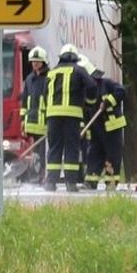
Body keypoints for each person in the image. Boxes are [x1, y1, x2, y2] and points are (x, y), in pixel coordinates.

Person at [43, 43, 97, 192]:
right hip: (72, 115)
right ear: (75, 58)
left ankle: (51, 182)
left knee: (54, 147)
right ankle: (70, 183)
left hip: (53, 116)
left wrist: (49, 111)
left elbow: (45, 94)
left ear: (61, 57)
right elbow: (92, 86)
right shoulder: (79, 70)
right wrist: (89, 103)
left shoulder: (51, 72)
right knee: (71, 148)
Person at [80, 57, 127, 190]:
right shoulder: (84, 91)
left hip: (112, 126)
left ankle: (111, 183)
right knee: (94, 153)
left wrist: (108, 102)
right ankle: (91, 181)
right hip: (96, 128)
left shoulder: (106, 84)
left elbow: (122, 91)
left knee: (112, 155)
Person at [18, 45, 49, 181]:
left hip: (45, 121)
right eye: (33, 61)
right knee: (36, 151)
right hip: (32, 121)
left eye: (38, 61)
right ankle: (37, 174)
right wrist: (22, 120)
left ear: (44, 62)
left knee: (44, 150)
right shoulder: (29, 79)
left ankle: (43, 174)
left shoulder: (49, 77)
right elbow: (25, 101)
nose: (35, 63)